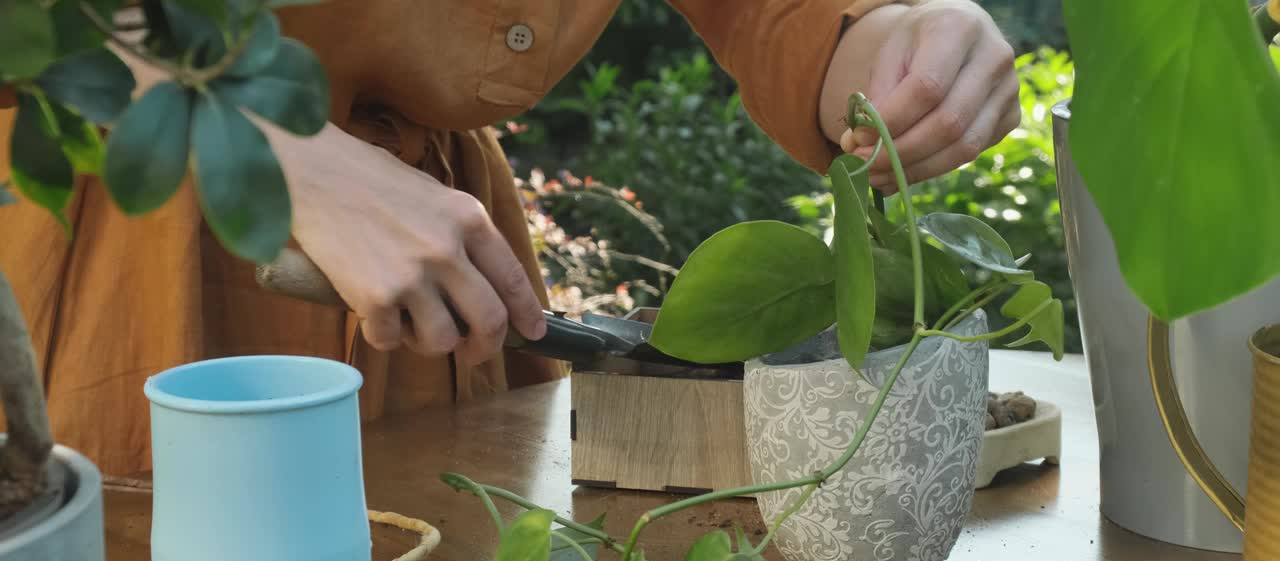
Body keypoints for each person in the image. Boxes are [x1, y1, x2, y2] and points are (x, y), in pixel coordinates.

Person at [0, 0, 1019, 478]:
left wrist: (888, 37)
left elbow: (780, 17)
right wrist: (279, 153)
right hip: (129, 224)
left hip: (431, 277)